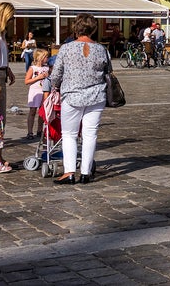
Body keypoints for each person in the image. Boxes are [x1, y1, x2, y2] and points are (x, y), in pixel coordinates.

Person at [49, 13, 114, 184]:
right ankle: (85, 172)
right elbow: (108, 72)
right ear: (93, 29)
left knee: (69, 134)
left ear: (75, 28)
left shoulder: (66, 48)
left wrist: (54, 86)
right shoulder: (102, 49)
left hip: (72, 96)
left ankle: (69, 172)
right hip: (96, 96)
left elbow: (56, 74)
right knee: (90, 134)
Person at [24, 48, 51, 139]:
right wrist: (38, 78)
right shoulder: (33, 68)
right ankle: (30, 132)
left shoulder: (47, 68)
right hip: (35, 91)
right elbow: (27, 81)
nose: (47, 58)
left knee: (41, 112)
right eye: (45, 57)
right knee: (32, 111)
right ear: (40, 58)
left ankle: (39, 130)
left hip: (44, 91)